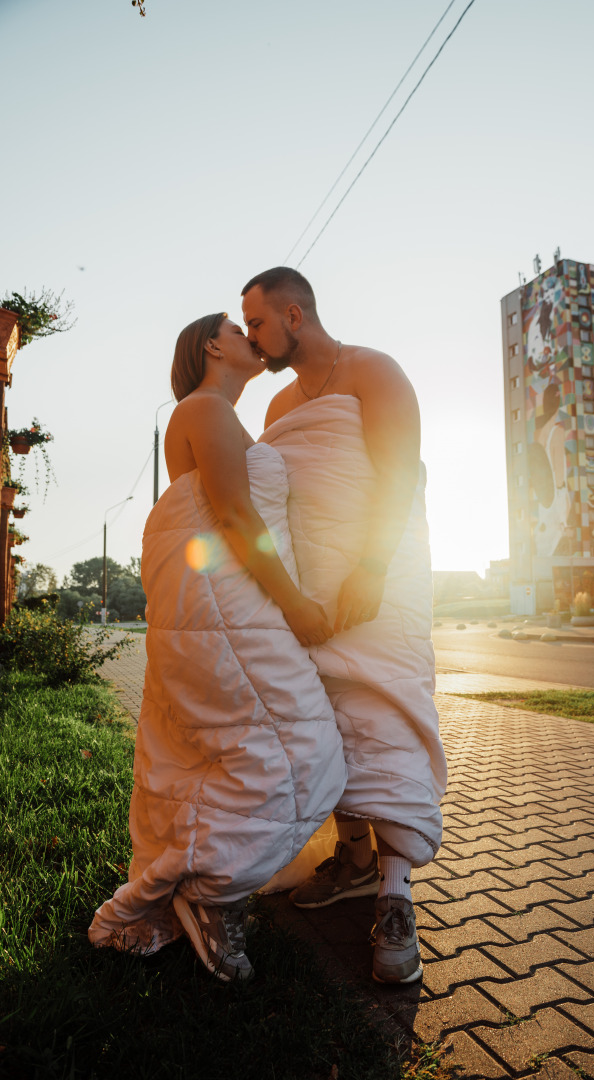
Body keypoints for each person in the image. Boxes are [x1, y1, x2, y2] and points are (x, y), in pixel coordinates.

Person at [88, 313, 346, 982]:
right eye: (238, 326)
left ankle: (208, 889)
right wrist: (294, 602)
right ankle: (212, 895)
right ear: (210, 345)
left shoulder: (221, 417)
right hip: (229, 611)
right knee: (294, 747)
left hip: (230, 605)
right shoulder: (203, 408)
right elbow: (230, 516)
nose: (249, 335)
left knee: (238, 752)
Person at [242, 267, 447, 985]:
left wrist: (371, 566)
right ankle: (354, 858)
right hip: (312, 596)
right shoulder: (274, 407)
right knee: (325, 720)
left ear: (294, 315)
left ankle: (396, 897)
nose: (250, 338)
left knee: (384, 714)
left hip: (380, 581)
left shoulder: (374, 372)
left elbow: (399, 475)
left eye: (258, 324)